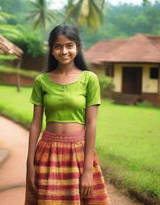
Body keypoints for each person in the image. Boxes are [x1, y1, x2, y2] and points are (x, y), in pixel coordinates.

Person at [25, 25, 111, 205]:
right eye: (58, 46)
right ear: (51, 49)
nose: (64, 51)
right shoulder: (41, 81)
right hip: (47, 153)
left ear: (77, 47)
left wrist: (88, 169)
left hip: (79, 153)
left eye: (69, 45)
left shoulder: (89, 79)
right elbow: (35, 124)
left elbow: (92, 124)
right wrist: (29, 165)